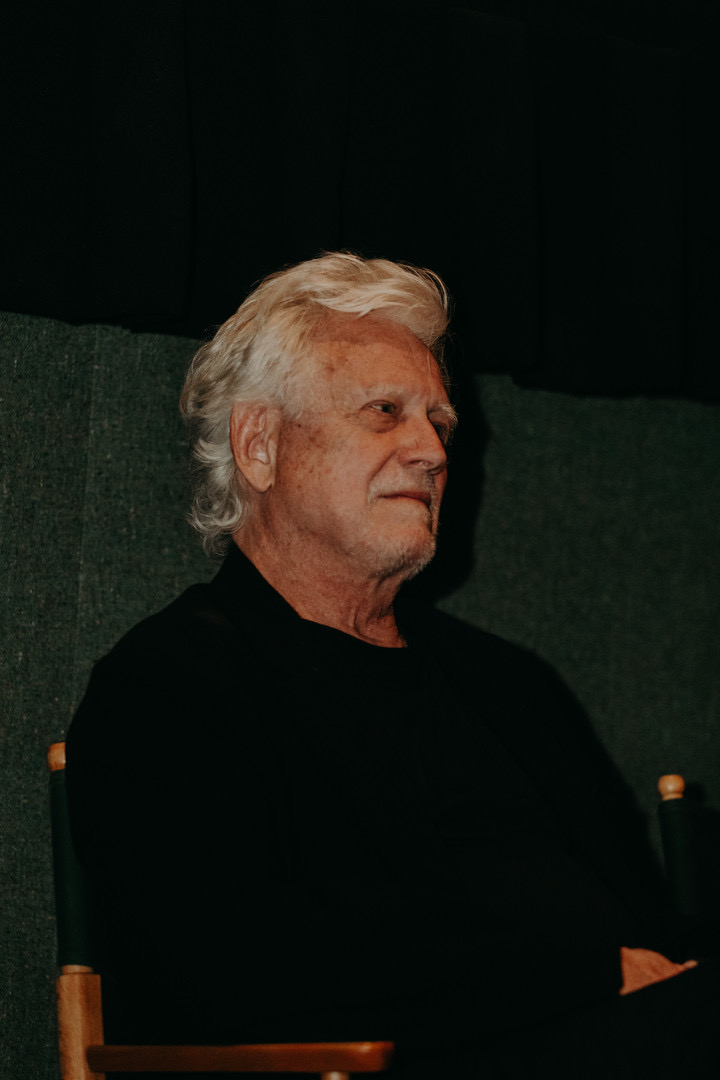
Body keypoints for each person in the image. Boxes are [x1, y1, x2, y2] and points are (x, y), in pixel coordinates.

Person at [67, 253, 717, 1078]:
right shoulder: (170, 687)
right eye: (385, 412)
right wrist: (583, 976)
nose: (433, 451)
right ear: (260, 445)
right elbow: (233, 977)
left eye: (439, 422)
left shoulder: (508, 686)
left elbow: (648, 932)